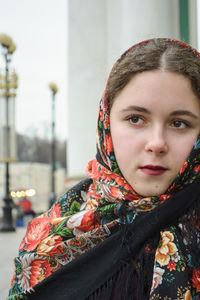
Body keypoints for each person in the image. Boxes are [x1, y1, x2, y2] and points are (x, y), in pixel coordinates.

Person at [8, 38, 200, 300]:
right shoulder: (52, 239)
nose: (157, 143)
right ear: (106, 124)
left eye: (179, 123)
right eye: (136, 119)